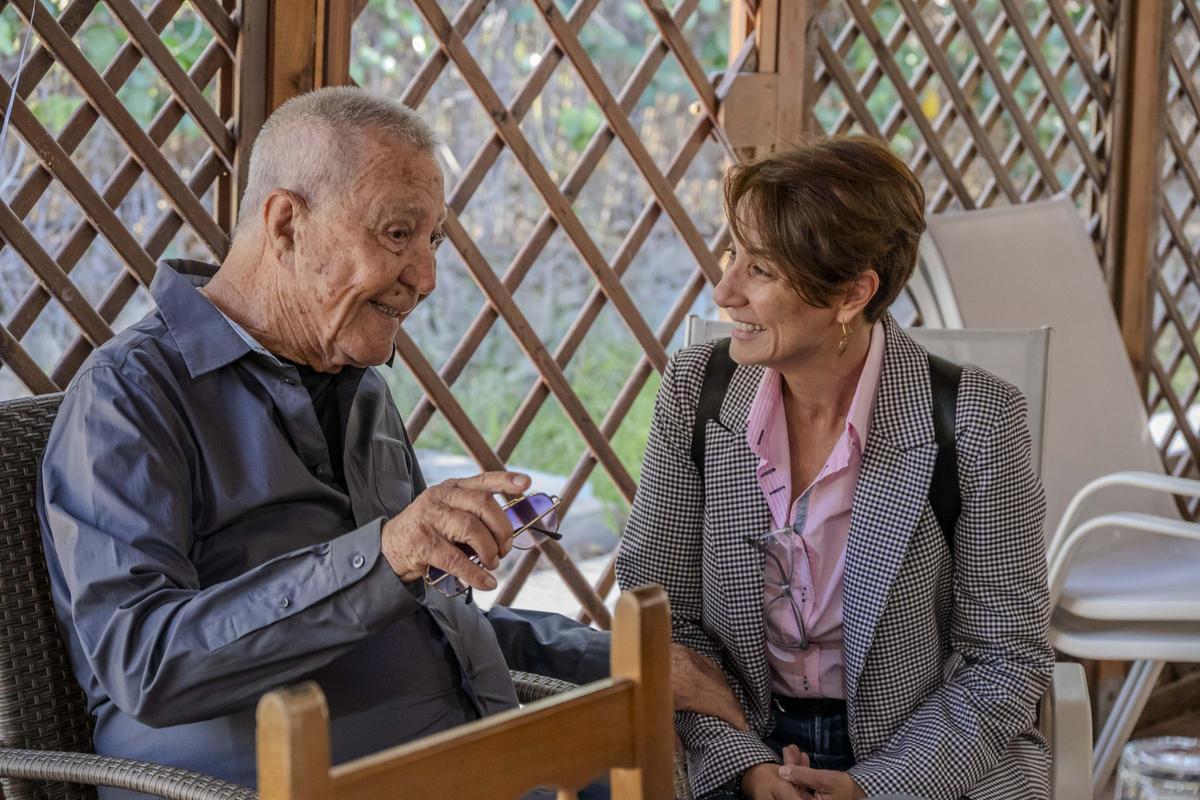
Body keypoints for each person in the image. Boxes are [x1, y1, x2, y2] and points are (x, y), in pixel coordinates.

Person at [37, 87, 622, 799]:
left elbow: (431, 618)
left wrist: (622, 657)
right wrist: (383, 559)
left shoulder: (358, 385)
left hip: (482, 766)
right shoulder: (128, 397)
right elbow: (143, 662)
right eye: (398, 235)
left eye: (433, 241)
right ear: (286, 224)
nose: (426, 278)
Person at [615, 137, 1052, 800]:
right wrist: (744, 761)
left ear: (852, 293)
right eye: (734, 255)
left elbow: (1005, 661)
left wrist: (871, 789)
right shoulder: (694, 392)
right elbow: (658, 614)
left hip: (925, 752)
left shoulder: (975, 421)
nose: (723, 290)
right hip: (738, 735)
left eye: (759, 269)